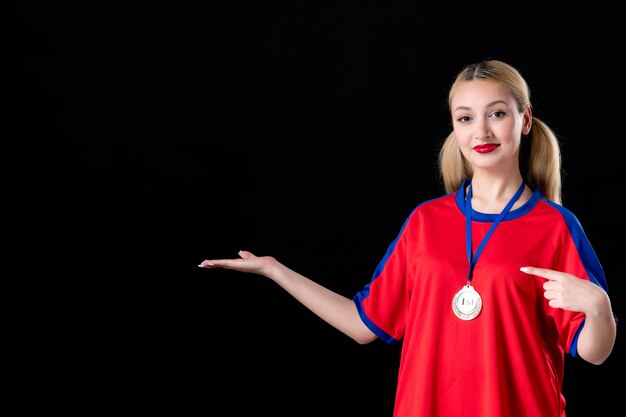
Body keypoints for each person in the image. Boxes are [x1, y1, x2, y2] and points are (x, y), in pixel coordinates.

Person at [198, 59, 617, 417]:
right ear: (455, 127)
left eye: (497, 114)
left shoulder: (556, 227)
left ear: (524, 120)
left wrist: (600, 309)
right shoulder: (425, 222)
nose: (481, 132)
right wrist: (275, 270)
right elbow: (364, 324)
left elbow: (595, 351)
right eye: (466, 117)